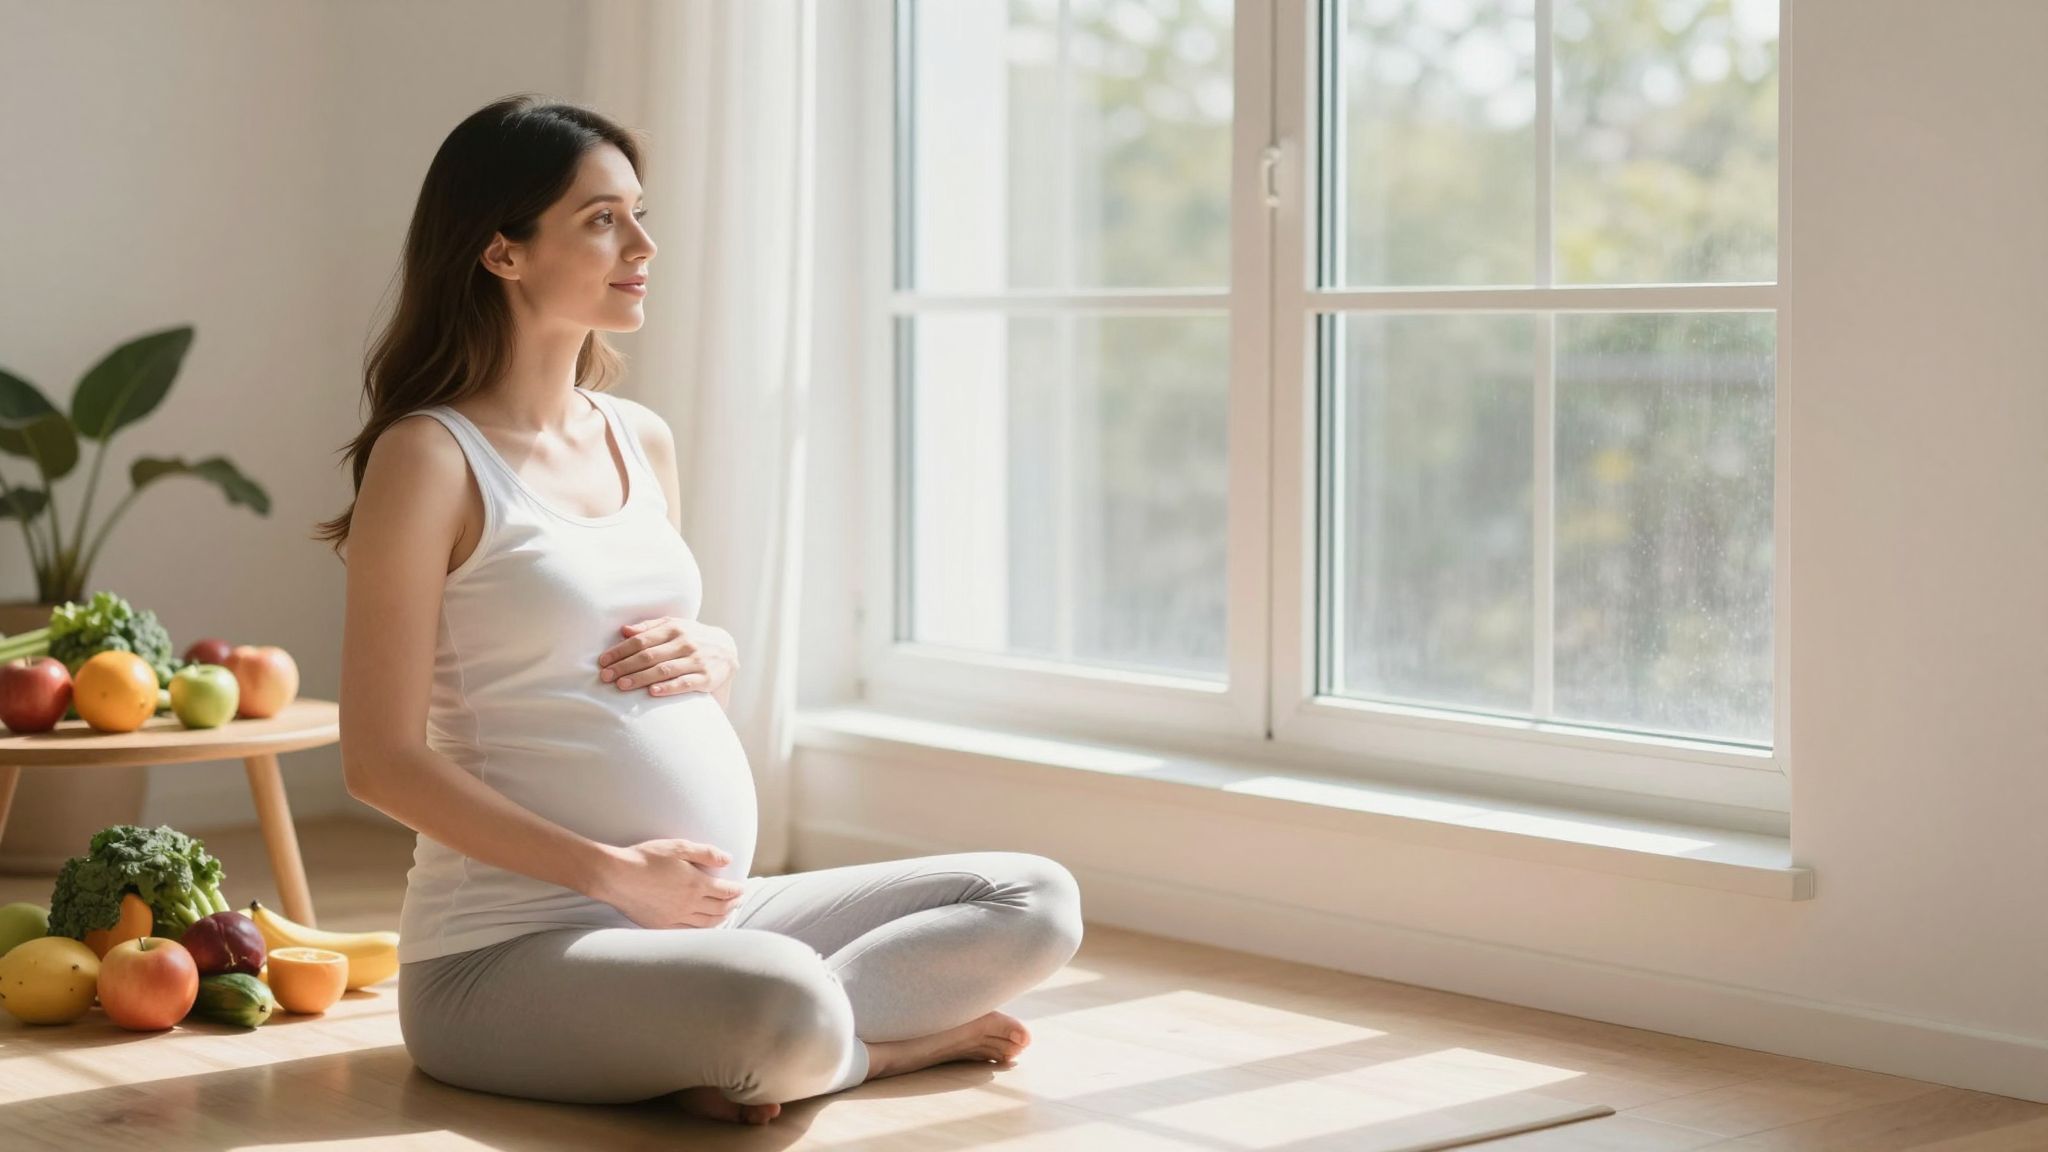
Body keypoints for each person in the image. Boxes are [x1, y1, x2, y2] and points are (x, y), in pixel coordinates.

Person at [318, 95, 1083, 1126]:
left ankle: (759, 1049)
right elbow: (378, 761)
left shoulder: (639, 437)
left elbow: (623, 641)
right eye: (601, 218)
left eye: (639, 211)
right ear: (503, 253)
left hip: (706, 912)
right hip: (507, 953)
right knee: (780, 997)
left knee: (1033, 900)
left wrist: (713, 651)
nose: (643, 243)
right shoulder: (429, 458)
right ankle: (864, 1049)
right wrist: (611, 875)